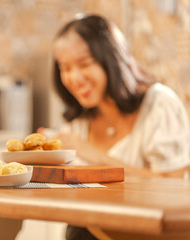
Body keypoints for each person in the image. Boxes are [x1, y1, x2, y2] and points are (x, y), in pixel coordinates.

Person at [42, 14, 190, 240]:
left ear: (111, 60)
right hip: (87, 230)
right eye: (65, 68)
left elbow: (173, 185)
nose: (74, 77)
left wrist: (96, 156)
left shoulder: (158, 105)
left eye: (84, 64)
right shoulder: (79, 118)